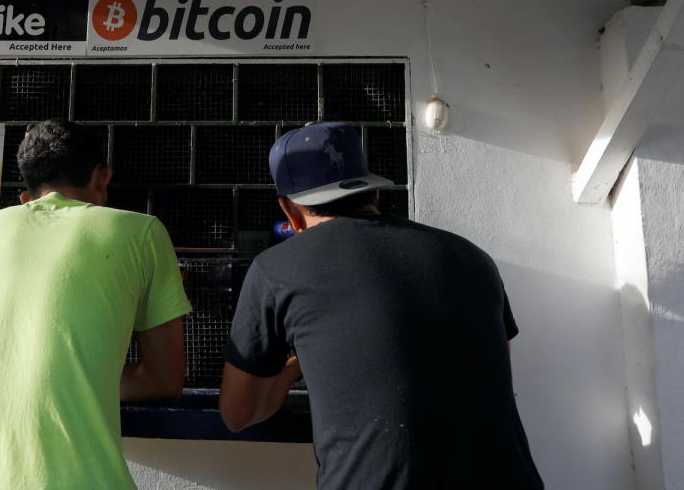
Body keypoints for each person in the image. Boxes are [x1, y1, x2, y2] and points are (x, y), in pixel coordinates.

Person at [219, 122, 543, 489]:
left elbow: (238, 413)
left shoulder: (276, 269)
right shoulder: (471, 256)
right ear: (372, 192)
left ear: (290, 212)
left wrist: (294, 366)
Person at [0, 120, 191, 490]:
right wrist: (86, 380)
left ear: (27, 190)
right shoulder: (141, 232)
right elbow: (164, 381)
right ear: (102, 177)